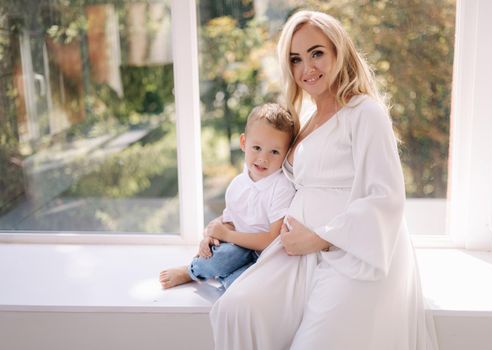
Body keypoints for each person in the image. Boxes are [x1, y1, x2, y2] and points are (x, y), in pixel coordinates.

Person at [209, 10, 438, 350]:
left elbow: (385, 197)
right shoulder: (306, 119)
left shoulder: (364, 113)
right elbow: (274, 186)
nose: (307, 68)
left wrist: (320, 239)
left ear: (338, 51)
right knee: (235, 310)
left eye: (317, 53)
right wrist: (223, 224)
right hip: (295, 250)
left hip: (352, 252)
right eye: (296, 59)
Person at [159, 103, 297, 290]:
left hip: (265, 255)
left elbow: (270, 240)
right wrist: (213, 235)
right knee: (224, 256)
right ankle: (192, 271)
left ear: (287, 153)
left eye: (274, 151)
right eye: (256, 147)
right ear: (243, 143)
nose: (263, 159)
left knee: (241, 286)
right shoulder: (238, 185)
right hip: (236, 247)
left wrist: (228, 234)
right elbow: (230, 220)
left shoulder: (281, 186)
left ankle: (223, 277)